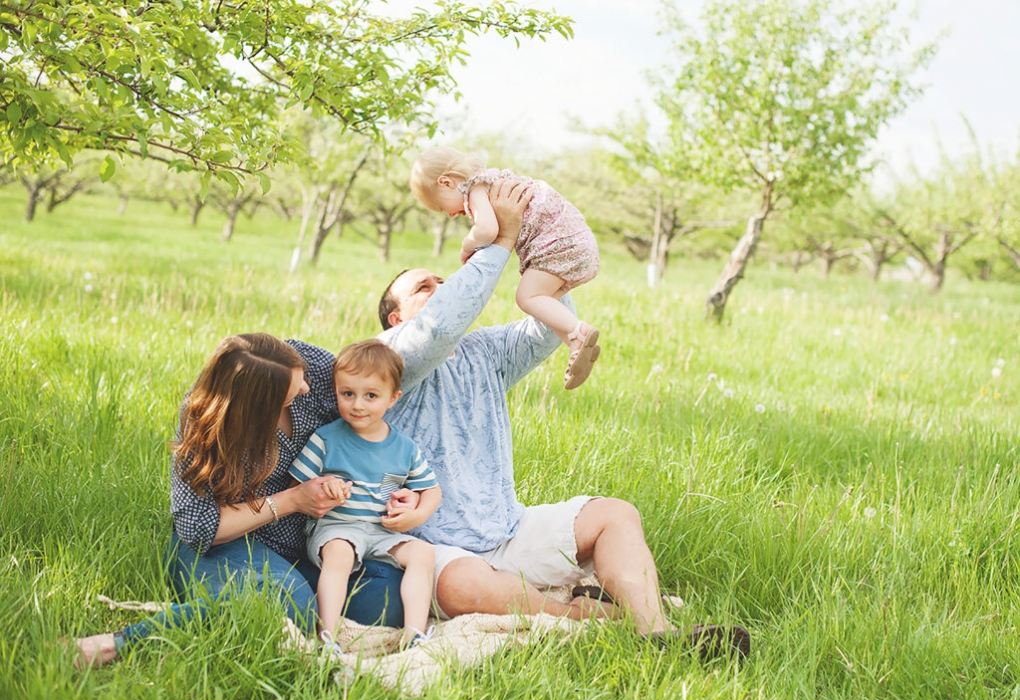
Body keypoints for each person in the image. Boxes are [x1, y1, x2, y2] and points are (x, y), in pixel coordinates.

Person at [378, 178, 750, 659]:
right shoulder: (386, 360)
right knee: (459, 586)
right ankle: (588, 617)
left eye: (444, 281)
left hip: (507, 530)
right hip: (438, 545)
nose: (443, 288)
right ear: (394, 317)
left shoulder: (482, 350)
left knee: (615, 514)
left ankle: (656, 635)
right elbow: (442, 324)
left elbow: (546, 329)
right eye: (424, 287)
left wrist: (537, 249)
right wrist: (500, 241)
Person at [74, 334, 405, 667]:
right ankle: (118, 644)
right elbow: (198, 528)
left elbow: (371, 423)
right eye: (291, 394)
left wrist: (399, 491)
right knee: (290, 603)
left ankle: (252, 601)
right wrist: (291, 500)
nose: (306, 389)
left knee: (388, 596)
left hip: (309, 543)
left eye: (301, 377)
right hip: (230, 544)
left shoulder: (313, 367)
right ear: (256, 409)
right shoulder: (207, 422)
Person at [289, 339, 441, 652]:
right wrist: (325, 484)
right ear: (337, 392)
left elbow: (432, 490)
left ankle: (415, 634)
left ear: (393, 398)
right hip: (337, 528)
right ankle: (327, 634)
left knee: (423, 554)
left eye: (371, 396)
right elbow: (297, 486)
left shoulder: (404, 447)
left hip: (381, 530)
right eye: (348, 394)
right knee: (341, 554)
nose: (358, 405)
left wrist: (417, 514)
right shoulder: (327, 438)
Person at [410, 146, 601, 390]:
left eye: (440, 206)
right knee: (546, 303)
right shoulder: (493, 181)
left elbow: (488, 230)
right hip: (577, 240)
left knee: (527, 298)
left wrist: (467, 244)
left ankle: (578, 331)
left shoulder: (476, 188)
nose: (449, 214)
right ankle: (576, 345)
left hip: (559, 243)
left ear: (446, 183)